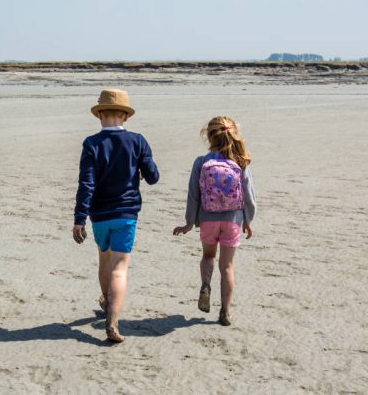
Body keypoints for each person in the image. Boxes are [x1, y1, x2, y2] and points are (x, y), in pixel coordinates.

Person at [72, 88, 160, 343]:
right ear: (126, 116)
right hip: (126, 213)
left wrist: (79, 218)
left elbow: (86, 183)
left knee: (104, 259)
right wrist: (142, 171)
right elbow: (153, 177)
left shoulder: (91, 144)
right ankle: (112, 320)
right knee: (120, 268)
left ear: (99, 115)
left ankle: (107, 303)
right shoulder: (138, 141)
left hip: (99, 215)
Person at [172, 116, 257, 326]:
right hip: (232, 220)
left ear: (209, 136)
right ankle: (225, 312)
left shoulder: (201, 162)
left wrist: (190, 222)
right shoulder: (240, 162)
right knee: (227, 266)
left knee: (209, 256)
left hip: (207, 219)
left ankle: (205, 285)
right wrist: (247, 220)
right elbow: (249, 196)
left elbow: (193, 195)